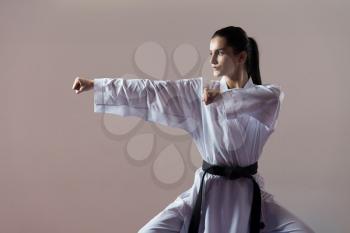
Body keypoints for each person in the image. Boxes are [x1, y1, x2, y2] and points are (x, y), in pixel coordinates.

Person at [72, 26, 315, 233]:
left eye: (219, 53)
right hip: (207, 192)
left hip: (249, 196)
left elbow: (261, 99)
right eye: (210, 54)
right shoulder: (200, 95)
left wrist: (220, 98)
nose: (211, 62)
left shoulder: (266, 96)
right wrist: (98, 84)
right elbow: (151, 91)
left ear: (241, 57)